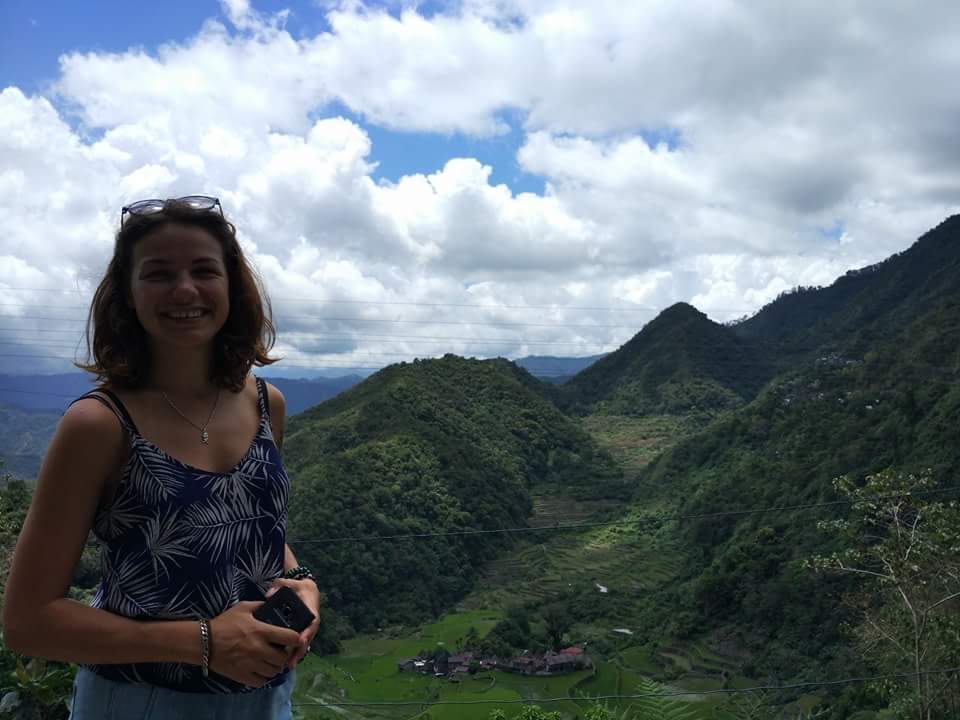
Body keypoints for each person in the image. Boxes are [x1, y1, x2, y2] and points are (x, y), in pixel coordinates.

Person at [3, 196, 321, 719]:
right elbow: (28, 623)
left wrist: (302, 581)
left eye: (204, 270)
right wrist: (205, 642)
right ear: (127, 295)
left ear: (231, 286)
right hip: (141, 702)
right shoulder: (99, 424)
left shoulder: (267, 404)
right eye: (158, 274)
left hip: (266, 700)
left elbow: (250, 526)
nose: (185, 289)